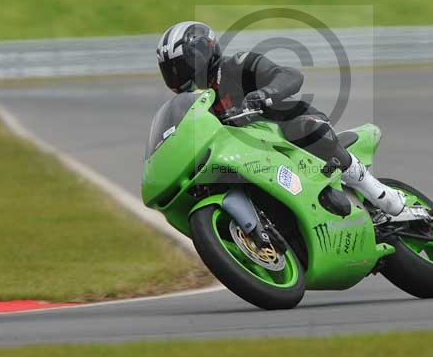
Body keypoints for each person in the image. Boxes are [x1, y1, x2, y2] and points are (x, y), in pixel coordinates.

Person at [156, 21, 408, 217]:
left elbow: (289, 75)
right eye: (172, 71)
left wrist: (265, 94)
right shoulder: (195, 107)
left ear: (203, 51)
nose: (179, 76)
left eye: (182, 65)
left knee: (303, 130)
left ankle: (381, 195)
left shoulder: (237, 65)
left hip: (287, 127)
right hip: (252, 155)